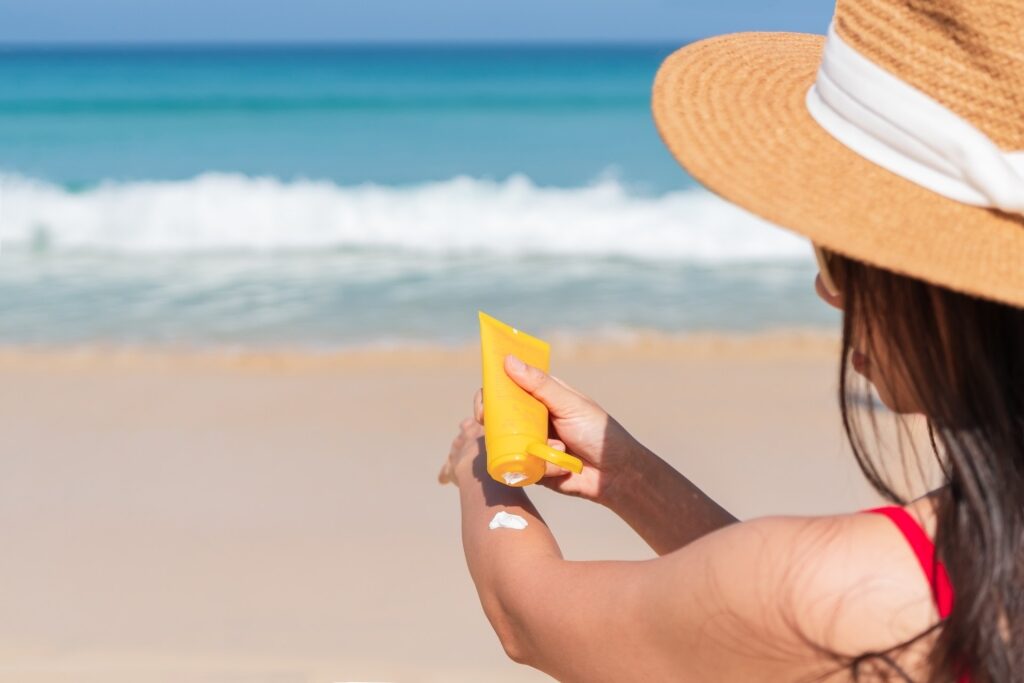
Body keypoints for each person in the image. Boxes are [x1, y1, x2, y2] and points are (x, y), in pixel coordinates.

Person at [439, 0, 1024, 680]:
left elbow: (527, 617)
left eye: (844, 250)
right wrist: (626, 474)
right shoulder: (905, 581)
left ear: (945, 291)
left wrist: (481, 466)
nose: (827, 290)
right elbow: (765, 616)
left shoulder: (883, 590)